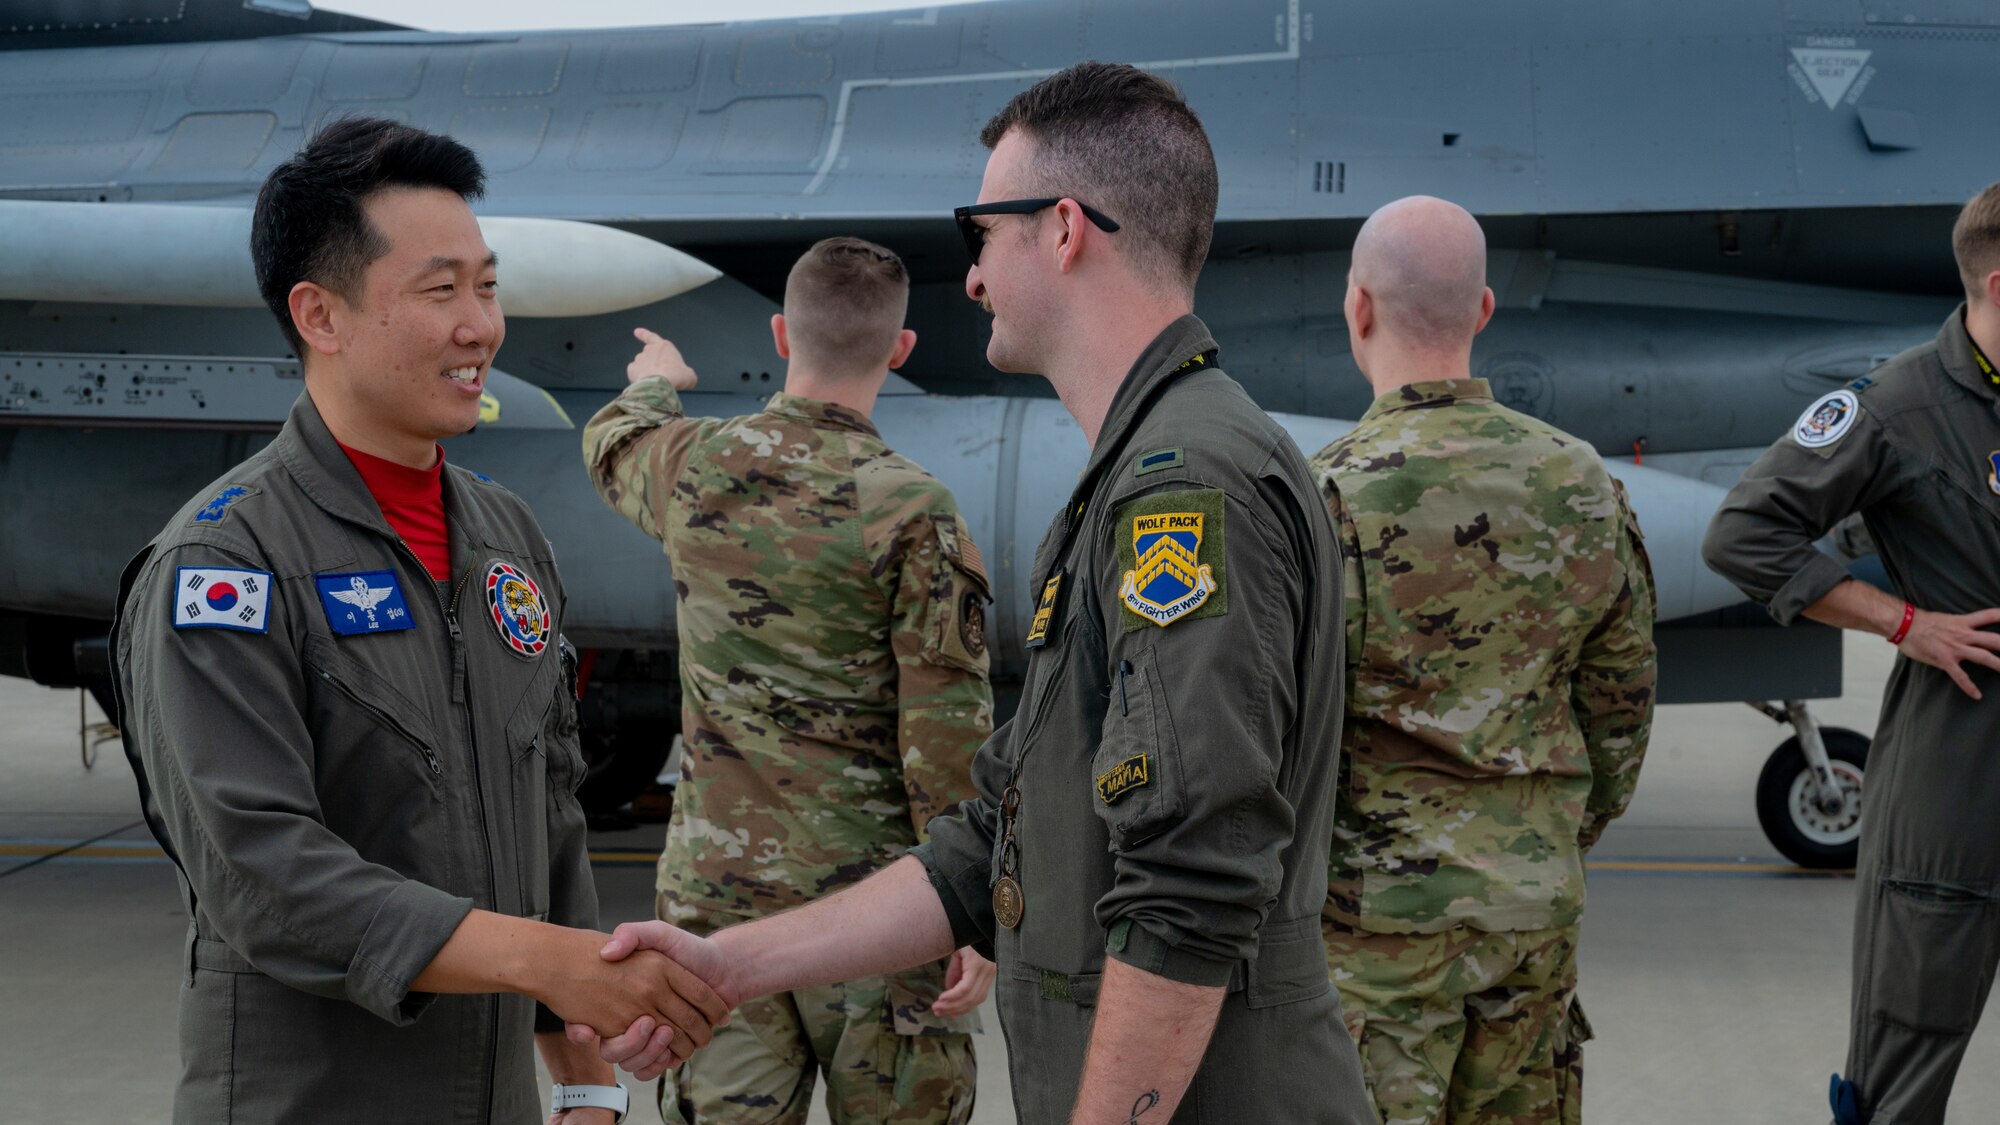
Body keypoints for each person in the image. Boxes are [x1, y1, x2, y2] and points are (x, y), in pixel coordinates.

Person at [574, 61, 1373, 1125]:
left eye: (980, 233)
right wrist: (725, 965)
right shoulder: (1133, 478)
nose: (976, 277)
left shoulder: (1182, 487)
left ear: (1062, 229)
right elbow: (987, 837)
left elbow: (1193, 879)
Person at [109, 117, 724, 1125]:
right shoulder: (225, 563)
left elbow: (549, 808)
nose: (480, 325)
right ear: (321, 314)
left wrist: (581, 1075)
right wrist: (554, 964)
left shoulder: (503, 536)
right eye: (440, 292)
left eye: (486, 286)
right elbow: (262, 872)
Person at [581, 236, 996, 1124]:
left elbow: (613, 439)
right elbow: (947, 735)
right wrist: (972, 907)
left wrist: (658, 375)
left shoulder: (695, 466)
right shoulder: (911, 507)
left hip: (717, 920)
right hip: (878, 921)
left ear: (778, 335)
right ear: (900, 349)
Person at [1311, 195, 1658, 1125]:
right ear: (1486, 310)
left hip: (1374, 931)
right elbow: (1621, 707)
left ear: (1358, 307)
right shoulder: (1582, 481)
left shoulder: (1325, 493)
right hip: (1530, 917)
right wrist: (1546, 838)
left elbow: (1281, 724)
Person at [1703, 183, 2000, 1125]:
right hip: (1957, 789)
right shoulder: (1897, 407)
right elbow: (1745, 534)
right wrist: (1906, 622)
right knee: (1900, 1072)